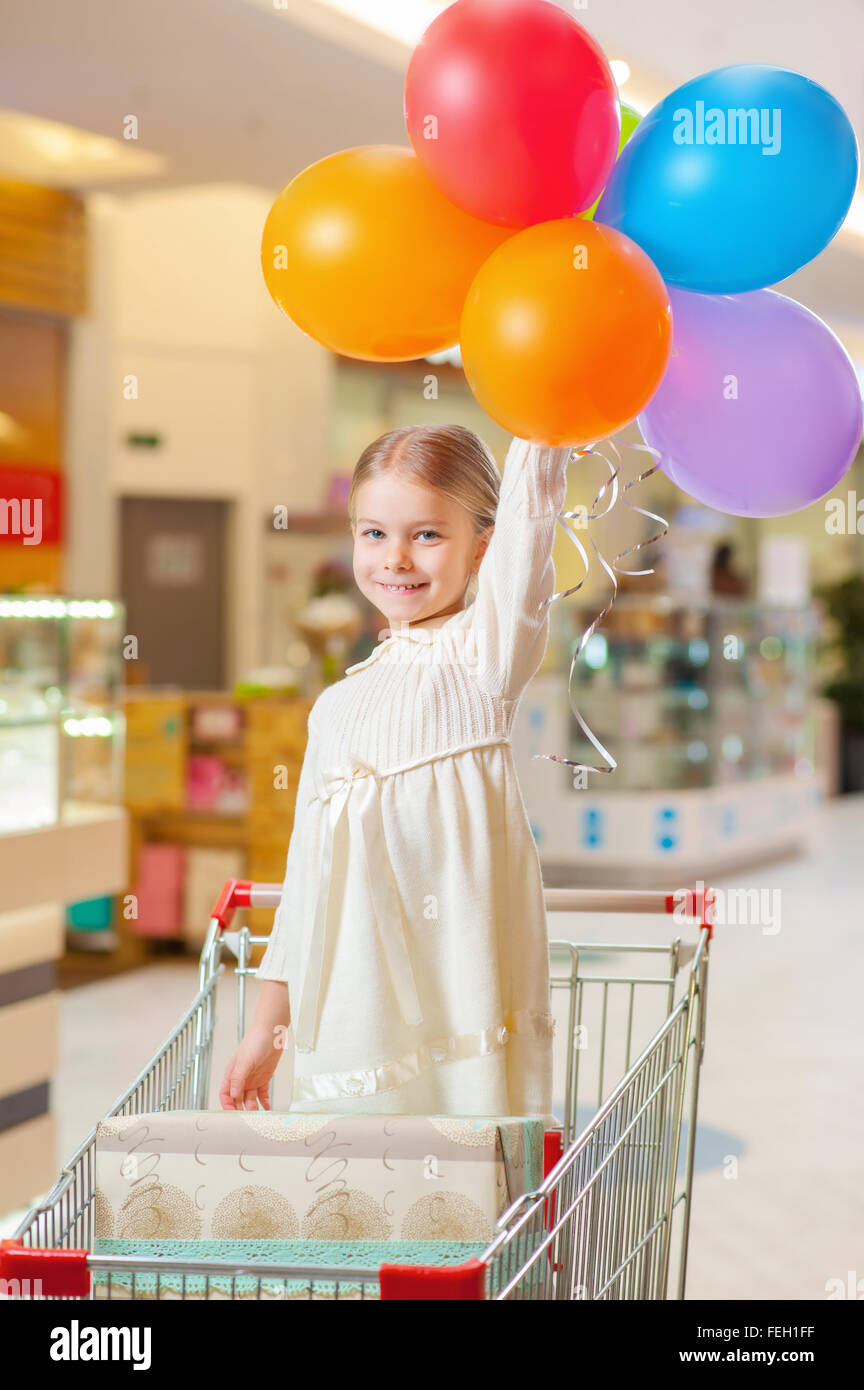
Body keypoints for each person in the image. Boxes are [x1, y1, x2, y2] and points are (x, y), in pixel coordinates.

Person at [220, 425, 573, 1124]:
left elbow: (532, 524)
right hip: (349, 1016)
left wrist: (544, 417)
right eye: (374, 533)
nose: (397, 559)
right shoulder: (336, 705)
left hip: (458, 1007)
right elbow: (308, 878)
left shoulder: (483, 661)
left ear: (483, 543)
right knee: (353, 1202)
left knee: (469, 1200)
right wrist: (268, 1028)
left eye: (428, 536)